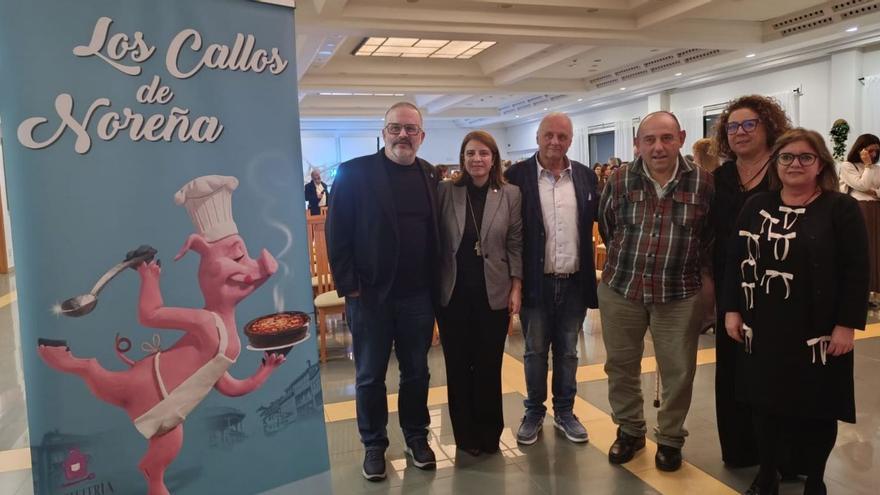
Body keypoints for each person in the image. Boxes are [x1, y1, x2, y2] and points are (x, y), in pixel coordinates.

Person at [722, 128, 867, 495]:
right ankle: (767, 473)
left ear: (820, 164)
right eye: (787, 157)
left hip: (818, 330)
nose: (795, 164)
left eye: (805, 157)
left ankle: (815, 479)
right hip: (764, 326)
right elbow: (737, 260)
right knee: (765, 405)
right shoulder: (757, 206)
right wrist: (732, 310)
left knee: (819, 406)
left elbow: (856, 269)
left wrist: (846, 325)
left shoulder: (841, 208)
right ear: (777, 164)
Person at [326, 102, 440, 481]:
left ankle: (416, 435)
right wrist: (350, 286)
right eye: (396, 128)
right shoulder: (354, 172)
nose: (403, 135)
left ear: (421, 137)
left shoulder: (429, 174)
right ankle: (374, 444)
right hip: (370, 296)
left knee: (417, 372)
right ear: (384, 132)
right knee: (370, 375)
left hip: (418, 296)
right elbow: (337, 232)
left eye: (410, 129)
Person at [597, 111, 714, 472]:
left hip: (679, 293)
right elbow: (607, 225)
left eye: (666, 138)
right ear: (637, 143)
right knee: (621, 365)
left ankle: (670, 439)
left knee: (679, 370)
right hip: (622, 288)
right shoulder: (618, 181)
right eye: (649, 139)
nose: (658, 147)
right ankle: (630, 430)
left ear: (680, 137)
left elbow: (708, 236)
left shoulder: (704, 184)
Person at [504, 112, 599, 446]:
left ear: (571, 140)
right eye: (549, 135)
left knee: (569, 352)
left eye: (562, 136)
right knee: (534, 352)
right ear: (538, 137)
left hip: (574, 280)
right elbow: (507, 232)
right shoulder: (515, 176)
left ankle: (565, 412)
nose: (555, 142)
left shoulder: (586, 177)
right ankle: (533, 412)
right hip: (535, 282)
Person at [710, 95, 791, 468]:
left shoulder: (783, 170)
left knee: (776, 371)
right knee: (731, 369)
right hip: (731, 284)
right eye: (732, 126)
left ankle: (782, 456)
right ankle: (741, 452)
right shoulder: (721, 177)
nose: (739, 133)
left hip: (779, 284)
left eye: (748, 124)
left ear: (767, 127)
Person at [436, 130, 523, 456]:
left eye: (484, 153)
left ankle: (489, 431)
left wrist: (517, 285)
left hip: (494, 289)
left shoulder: (510, 194)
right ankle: (464, 434)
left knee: (488, 364)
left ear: (494, 158)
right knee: (458, 365)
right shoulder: (446, 191)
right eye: (470, 153)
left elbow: (515, 242)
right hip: (453, 292)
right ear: (462, 158)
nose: (477, 159)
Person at [838, 133, 880, 307]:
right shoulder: (847, 166)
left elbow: (871, 189)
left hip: (876, 209)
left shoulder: (877, 169)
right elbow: (862, 186)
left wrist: (874, 192)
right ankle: (859, 292)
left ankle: (874, 292)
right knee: (861, 250)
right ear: (861, 149)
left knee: (876, 250)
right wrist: (868, 168)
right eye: (870, 150)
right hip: (858, 209)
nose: (874, 155)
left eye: (877, 152)